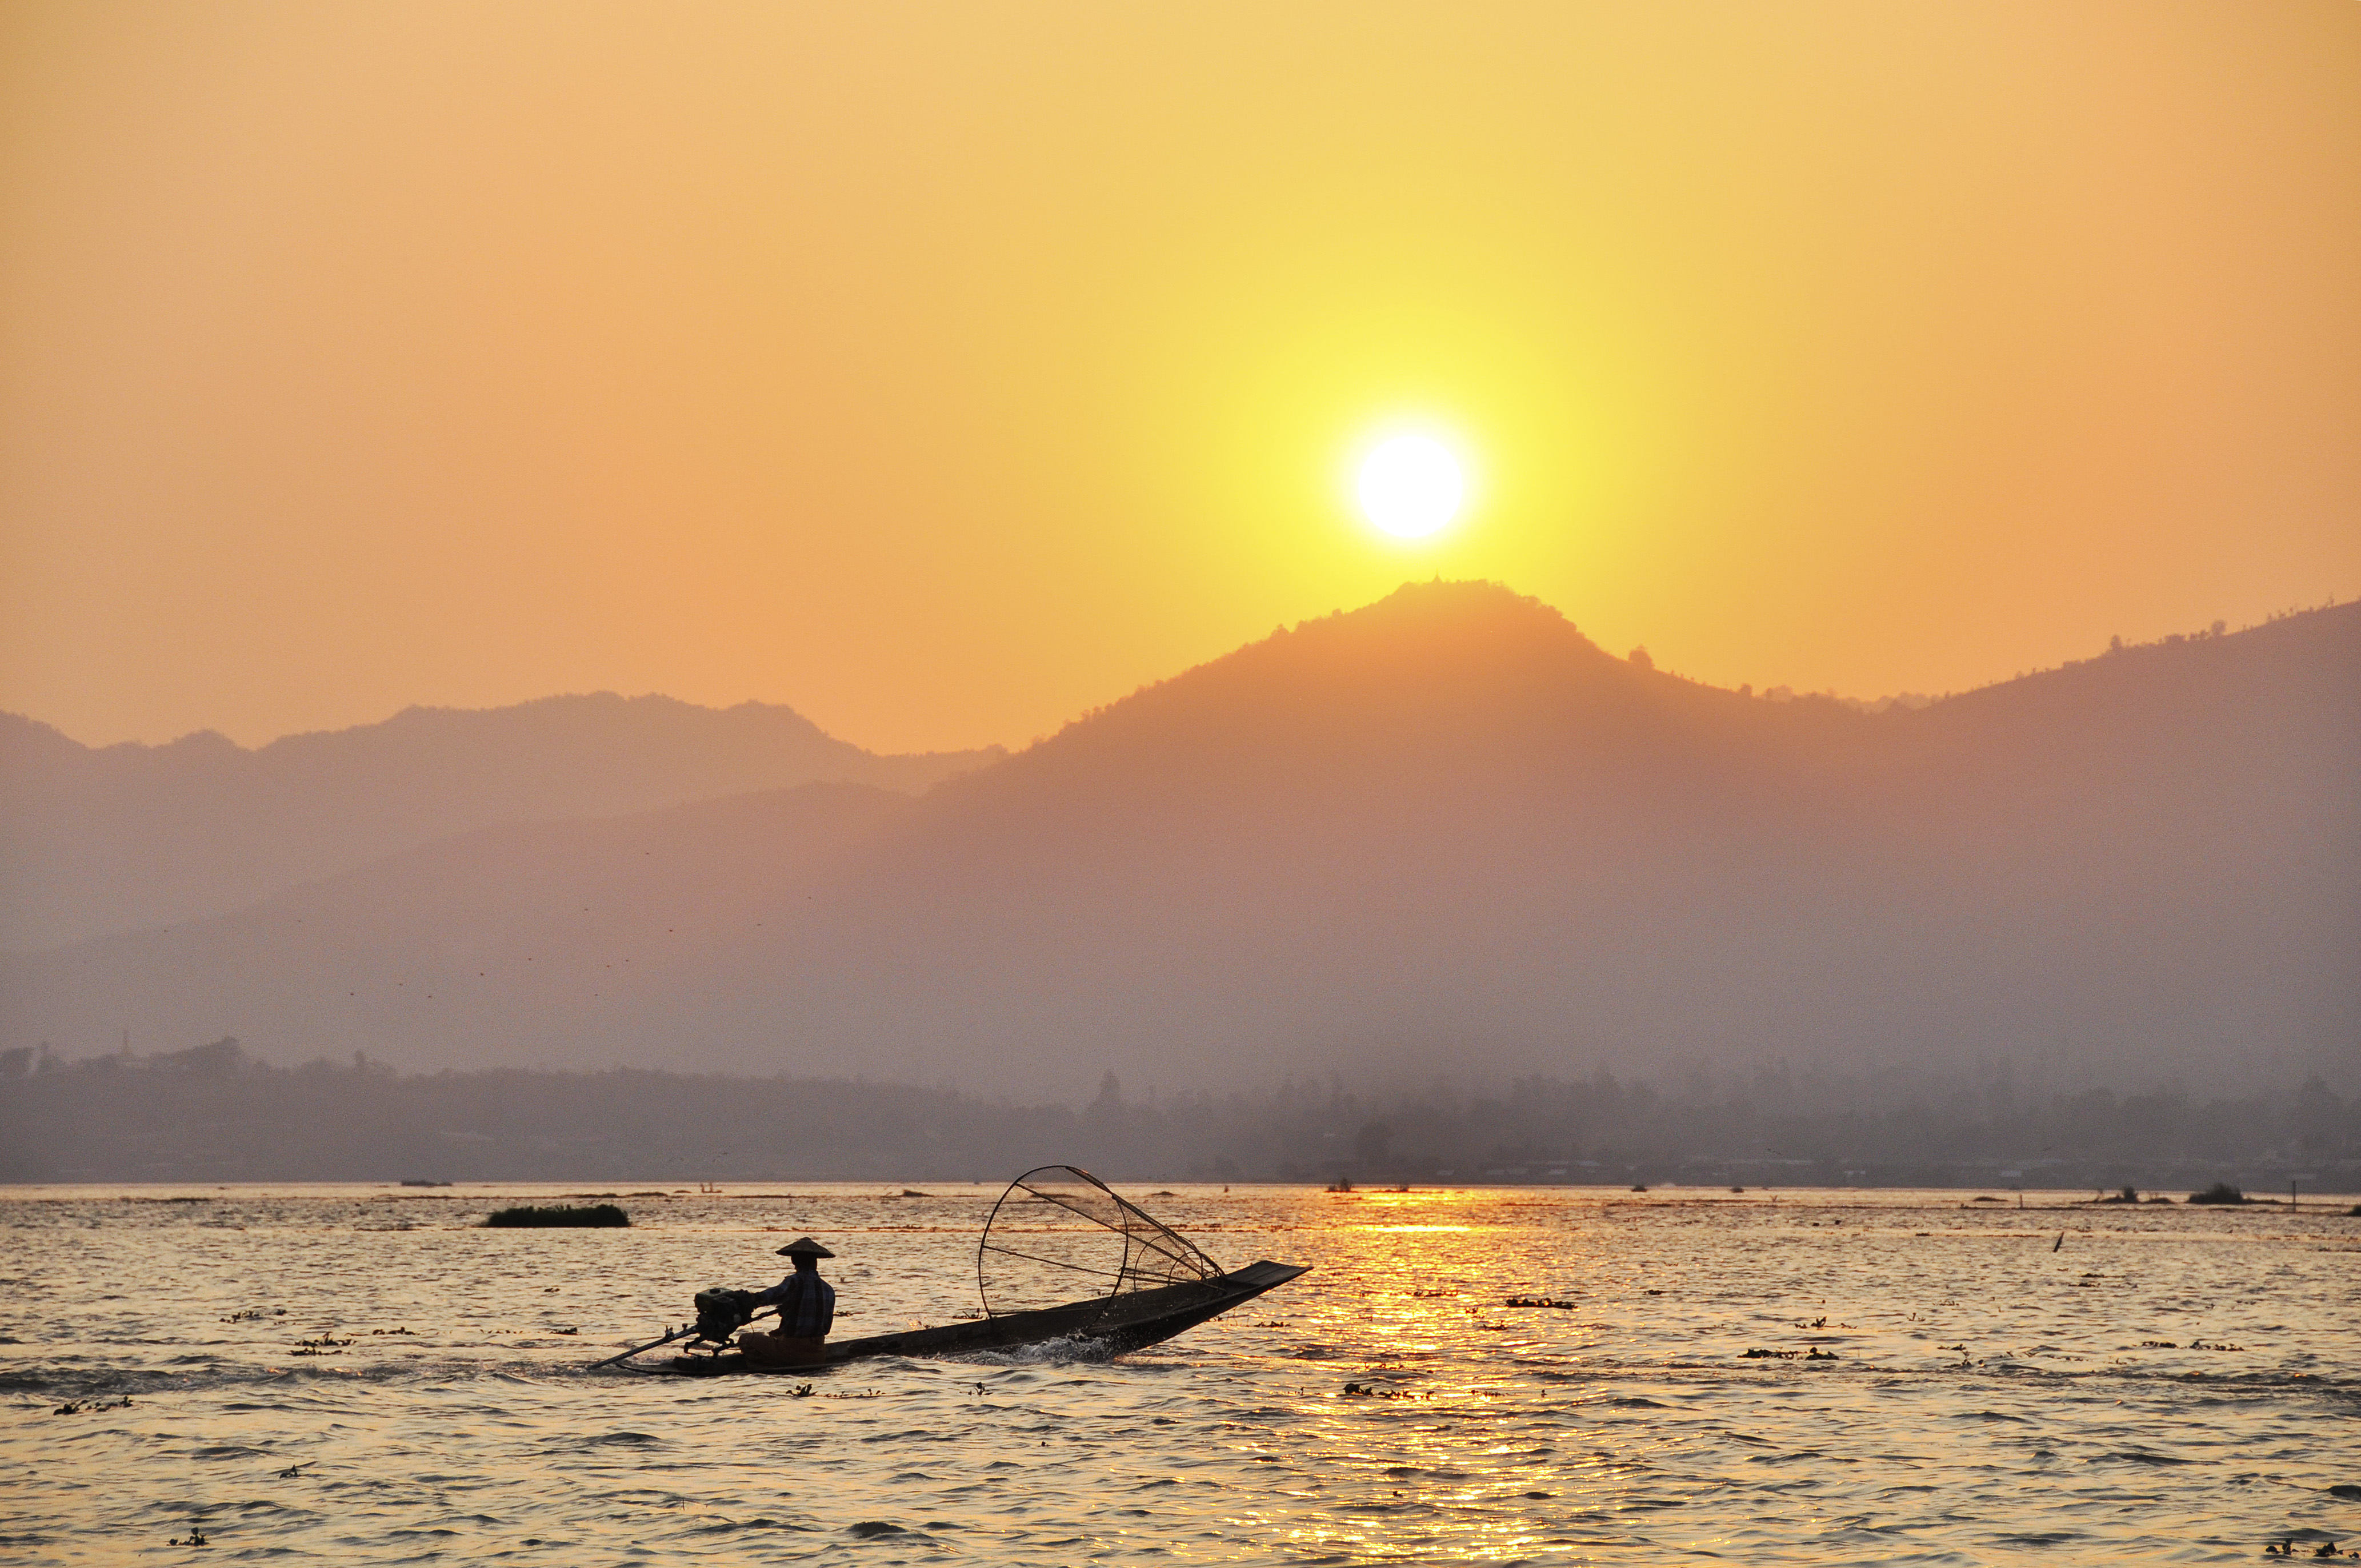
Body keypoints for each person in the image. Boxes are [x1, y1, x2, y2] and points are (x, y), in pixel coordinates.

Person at [737, 1237, 836, 1366]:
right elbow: (826, 1328)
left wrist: (745, 1299)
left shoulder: (793, 1282)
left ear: (793, 1261)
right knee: (775, 1334)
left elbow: (766, 1297)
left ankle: (770, 1362)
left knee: (746, 1339)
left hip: (792, 1352)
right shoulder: (829, 1290)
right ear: (815, 1262)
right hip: (818, 1354)